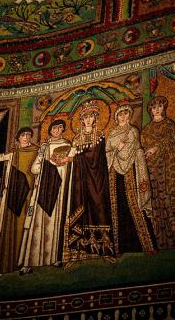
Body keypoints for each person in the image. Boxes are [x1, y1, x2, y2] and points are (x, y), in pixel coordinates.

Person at [0, 127, 39, 279]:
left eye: (28, 135)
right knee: (8, 229)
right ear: (18, 138)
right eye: (23, 135)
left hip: (28, 196)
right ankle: (5, 265)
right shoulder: (13, 153)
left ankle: (26, 265)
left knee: (27, 229)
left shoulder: (36, 151)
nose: (26, 137)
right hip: (12, 196)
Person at [64, 100, 114, 264]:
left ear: (95, 118)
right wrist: (68, 157)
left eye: (90, 117)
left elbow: (94, 154)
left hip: (97, 178)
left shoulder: (99, 135)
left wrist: (76, 154)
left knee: (99, 205)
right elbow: (72, 155)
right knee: (81, 206)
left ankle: (104, 246)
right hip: (81, 179)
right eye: (85, 117)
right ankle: (82, 247)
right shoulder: (77, 138)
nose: (87, 120)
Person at [18, 119, 71, 274]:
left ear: (63, 130)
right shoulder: (44, 146)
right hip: (43, 188)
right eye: (54, 128)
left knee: (54, 222)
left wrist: (63, 162)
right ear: (50, 130)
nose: (57, 131)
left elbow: (70, 166)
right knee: (36, 224)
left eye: (60, 128)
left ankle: (54, 258)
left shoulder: (68, 145)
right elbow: (34, 168)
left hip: (58, 188)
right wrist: (46, 164)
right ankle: (29, 262)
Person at [105, 103, 156, 255]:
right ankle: (119, 248)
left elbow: (138, 149)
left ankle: (146, 245)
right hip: (115, 173)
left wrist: (141, 154)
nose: (123, 116)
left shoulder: (133, 131)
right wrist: (116, 150)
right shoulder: (112, 134)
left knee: (135, 204)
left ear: (129, 115)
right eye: (120, 114)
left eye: (126, 113)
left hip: (131, 171)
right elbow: (107, 153)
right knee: (117, 207)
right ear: (116, 117)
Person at [141, 96, 175, 250]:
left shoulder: (169, 125)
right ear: (150, 110)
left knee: (171, 204)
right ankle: (162, 243)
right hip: (153, 171)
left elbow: (172, 142)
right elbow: (143, 147)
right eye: (154, 107)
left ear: (164, 107)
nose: (157, 109)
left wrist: (157, 148)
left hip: (168, 169)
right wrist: (147, 153)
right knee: (157, 205)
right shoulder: (147, 129)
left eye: (159, 106)